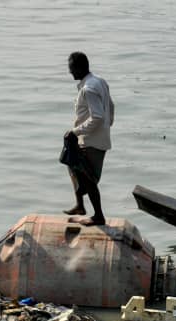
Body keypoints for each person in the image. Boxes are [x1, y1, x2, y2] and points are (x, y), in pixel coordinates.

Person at [63, 51, 114, 226]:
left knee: (89, 179)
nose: (70, 72)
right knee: (71, 163)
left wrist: (75, 132)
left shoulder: (88, 89)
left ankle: (98, 216)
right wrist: (109, 124)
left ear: (79, 68)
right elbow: (111, 106)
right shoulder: (99, 81)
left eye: (71, 69)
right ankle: (80, 205)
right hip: (94, 137)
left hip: (92, 140)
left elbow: (98, 117)